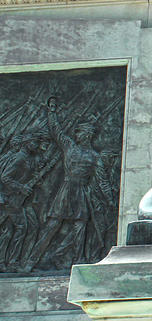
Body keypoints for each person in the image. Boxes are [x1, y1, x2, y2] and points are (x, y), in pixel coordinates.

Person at [24, 98, 100, 271]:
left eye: (80, 132)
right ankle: (30, 261)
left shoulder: (95, 157)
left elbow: (100, 181)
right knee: (51, 226)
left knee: (80, 226)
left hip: (80, 191)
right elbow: (56, 131)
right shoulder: (69, 147)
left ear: (87, 135)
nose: (77, 135)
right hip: (66, 190)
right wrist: (51, 112)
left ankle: (79, 260)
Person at [0, 129, 51, 270]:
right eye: (34, 142)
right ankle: (11, 262)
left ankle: (10, 262)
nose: (36, 145)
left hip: (17, 200)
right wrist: (21, 187)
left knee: (12, 231)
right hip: (10, 199)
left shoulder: (29, 159)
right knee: (20, 228)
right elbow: (5, 177)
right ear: (26, 143)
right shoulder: (20, 158)